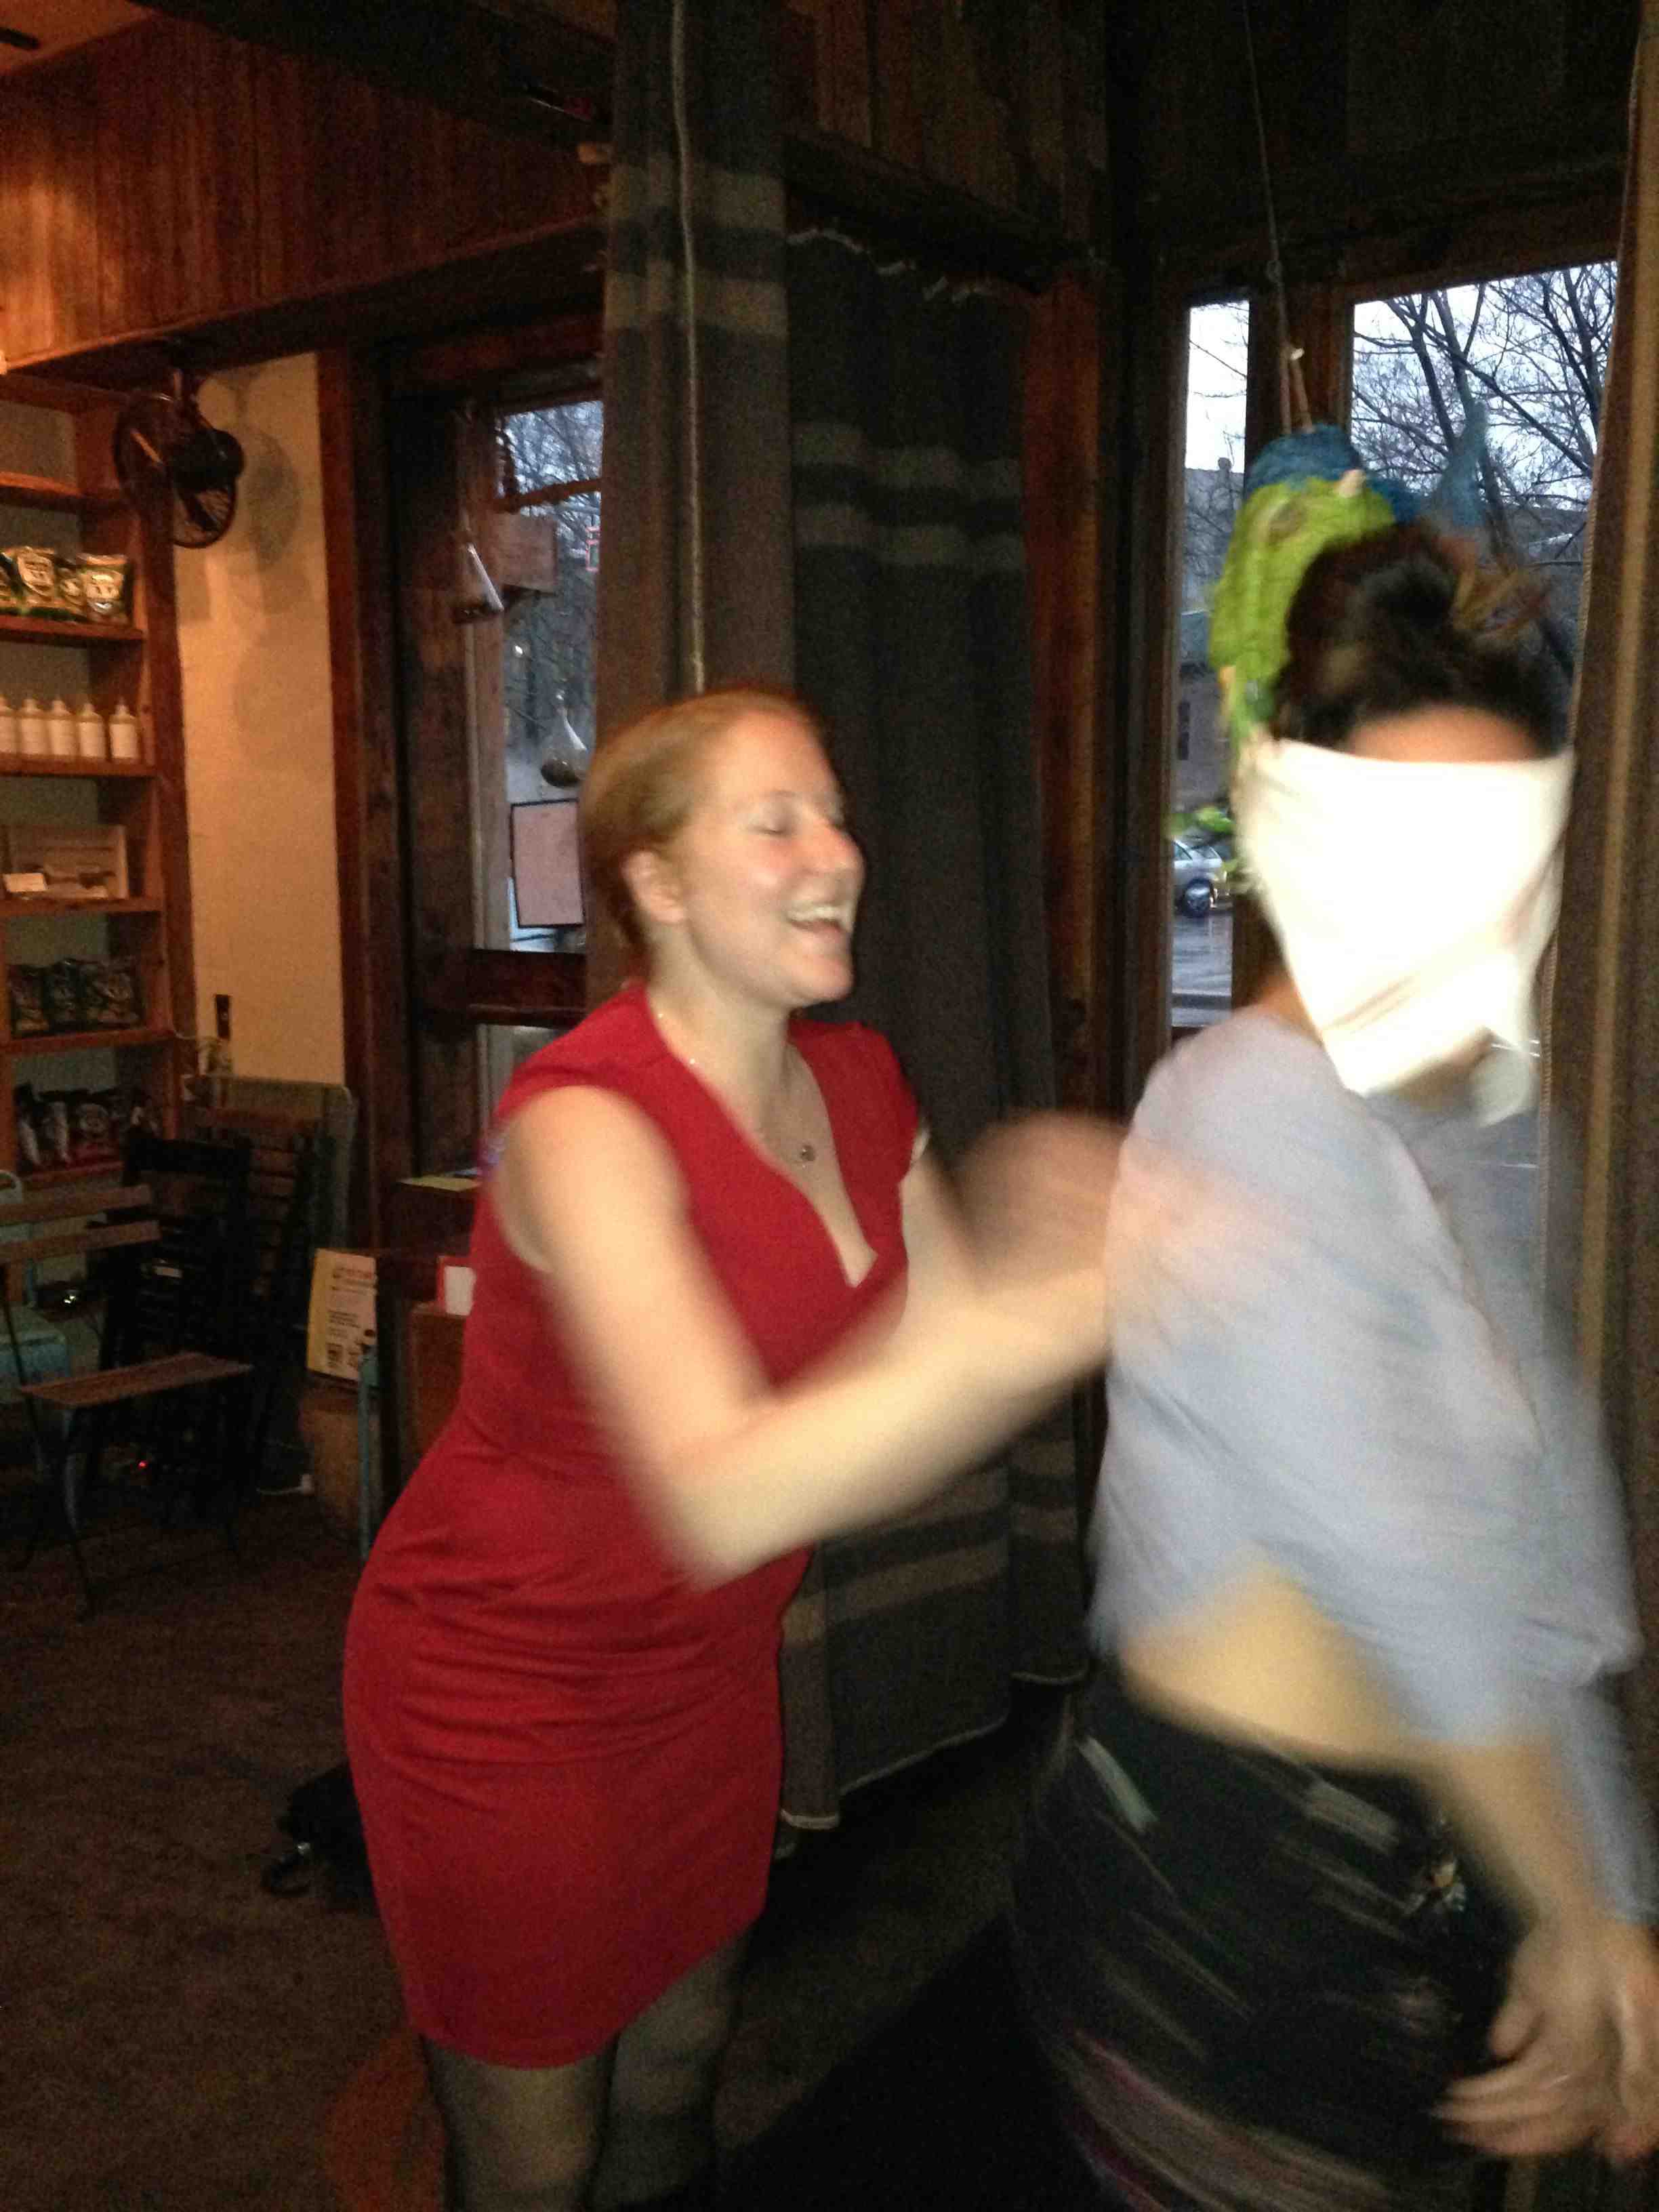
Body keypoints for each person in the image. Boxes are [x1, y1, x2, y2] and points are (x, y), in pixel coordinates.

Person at [343, 684, 1118, 2212]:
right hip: (505, 1688)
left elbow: (936, 1368)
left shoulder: (863, 1079)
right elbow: (722, 1490)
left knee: (680, 2071)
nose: (838, 854)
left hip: (706, 1677)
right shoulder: (581, 1126)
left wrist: (1057, 1264)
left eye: (836, 816)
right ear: (658, 882)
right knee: (537, 2159)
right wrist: (1060, 1304)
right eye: (776, 824)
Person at [1010, 522, 1659, 2211]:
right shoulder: (1242, 1111)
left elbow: (1543, 1555)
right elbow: (1407, 1556)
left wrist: (1600, 1892)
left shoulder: (1490, 1125)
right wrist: (1582, 1912)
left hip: (1426, 1859)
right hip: (1214, 1892)